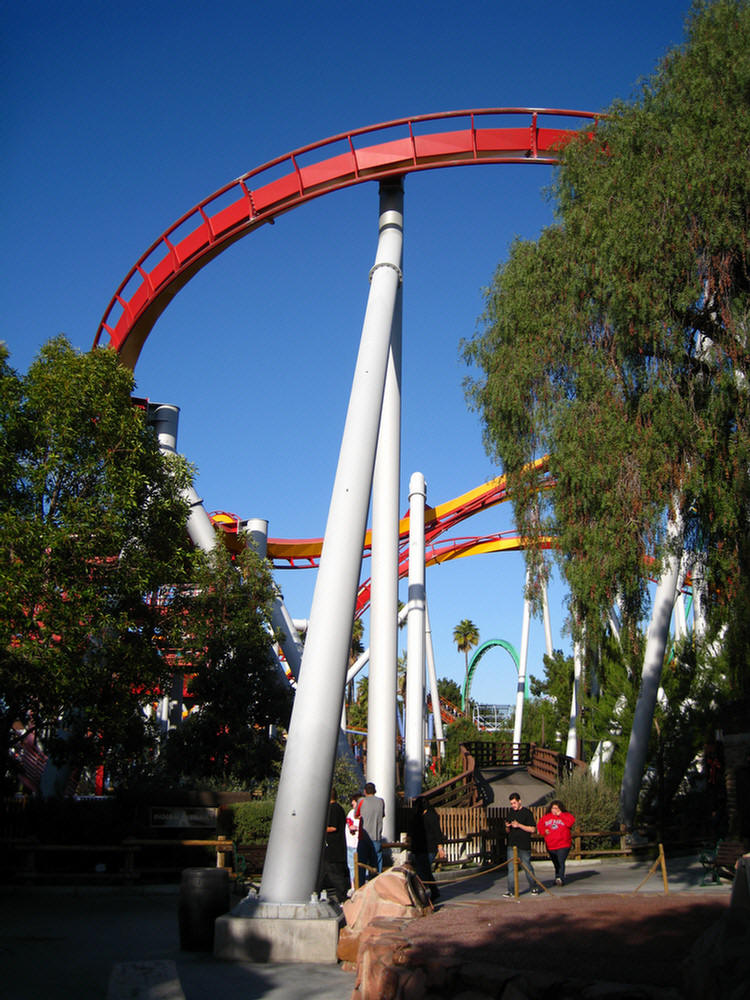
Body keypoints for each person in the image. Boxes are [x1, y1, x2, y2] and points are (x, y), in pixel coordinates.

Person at [408, 796, 446, 901]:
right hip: (419, 847)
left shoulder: (431, 815)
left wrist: (440, 847)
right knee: (425, 871)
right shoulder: (417, 816)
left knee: (422, 871)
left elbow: (437, 832)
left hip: (429, 847)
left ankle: (424, 893)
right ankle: (434, 892)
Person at [504, 791, 540, 896]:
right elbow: (507, 831)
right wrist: (507, 826)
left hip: (524, 845)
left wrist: (519, 825)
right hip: (512, 844)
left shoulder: (527, 813)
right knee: (511, 869)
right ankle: (511, 890)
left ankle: (534, 887)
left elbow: (533, 829)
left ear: (520, 801)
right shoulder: (510, 813)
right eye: (511, 803)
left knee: (527, 867)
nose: (513, 805)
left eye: (514, 803)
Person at [537, 799, 576, 886]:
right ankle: (557, 877)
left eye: (556, 808)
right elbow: (540, 826)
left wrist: (561, 815)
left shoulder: (566, 815)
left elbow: (570, 823)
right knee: (555, 862)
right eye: (553, 808)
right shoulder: (546, 817)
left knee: (560, 861)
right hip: (551, 845)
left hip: (563, 844)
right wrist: (544, 831)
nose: (554, 810)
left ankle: (560, 878)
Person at [320, 788, 349, 902]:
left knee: (335, 874)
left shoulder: (333, 809)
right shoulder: (339, 809)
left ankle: (342, 897)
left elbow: (333, 826)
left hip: (333, 848)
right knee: (326, 872)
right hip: (336, 849)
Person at [357, 781, 385, 876]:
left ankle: (360, 886)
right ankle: (377, 886)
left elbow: (356, 815)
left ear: (365, 791)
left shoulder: (361, 801)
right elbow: (383, 815)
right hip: (376, 836)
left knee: (361, 865)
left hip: (364, 837)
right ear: (375, 791)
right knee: (377, 865)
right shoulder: (381, 801)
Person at [345, 794, 361, 891]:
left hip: (356, 843)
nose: (352, 803)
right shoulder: (351, 813)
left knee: (357, 866)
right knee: (352, 866)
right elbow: (349, 823)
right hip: (351, 843)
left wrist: (355, 828)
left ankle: (358, 886)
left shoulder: (358, 813)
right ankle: (353, 886)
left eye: (353, 802)